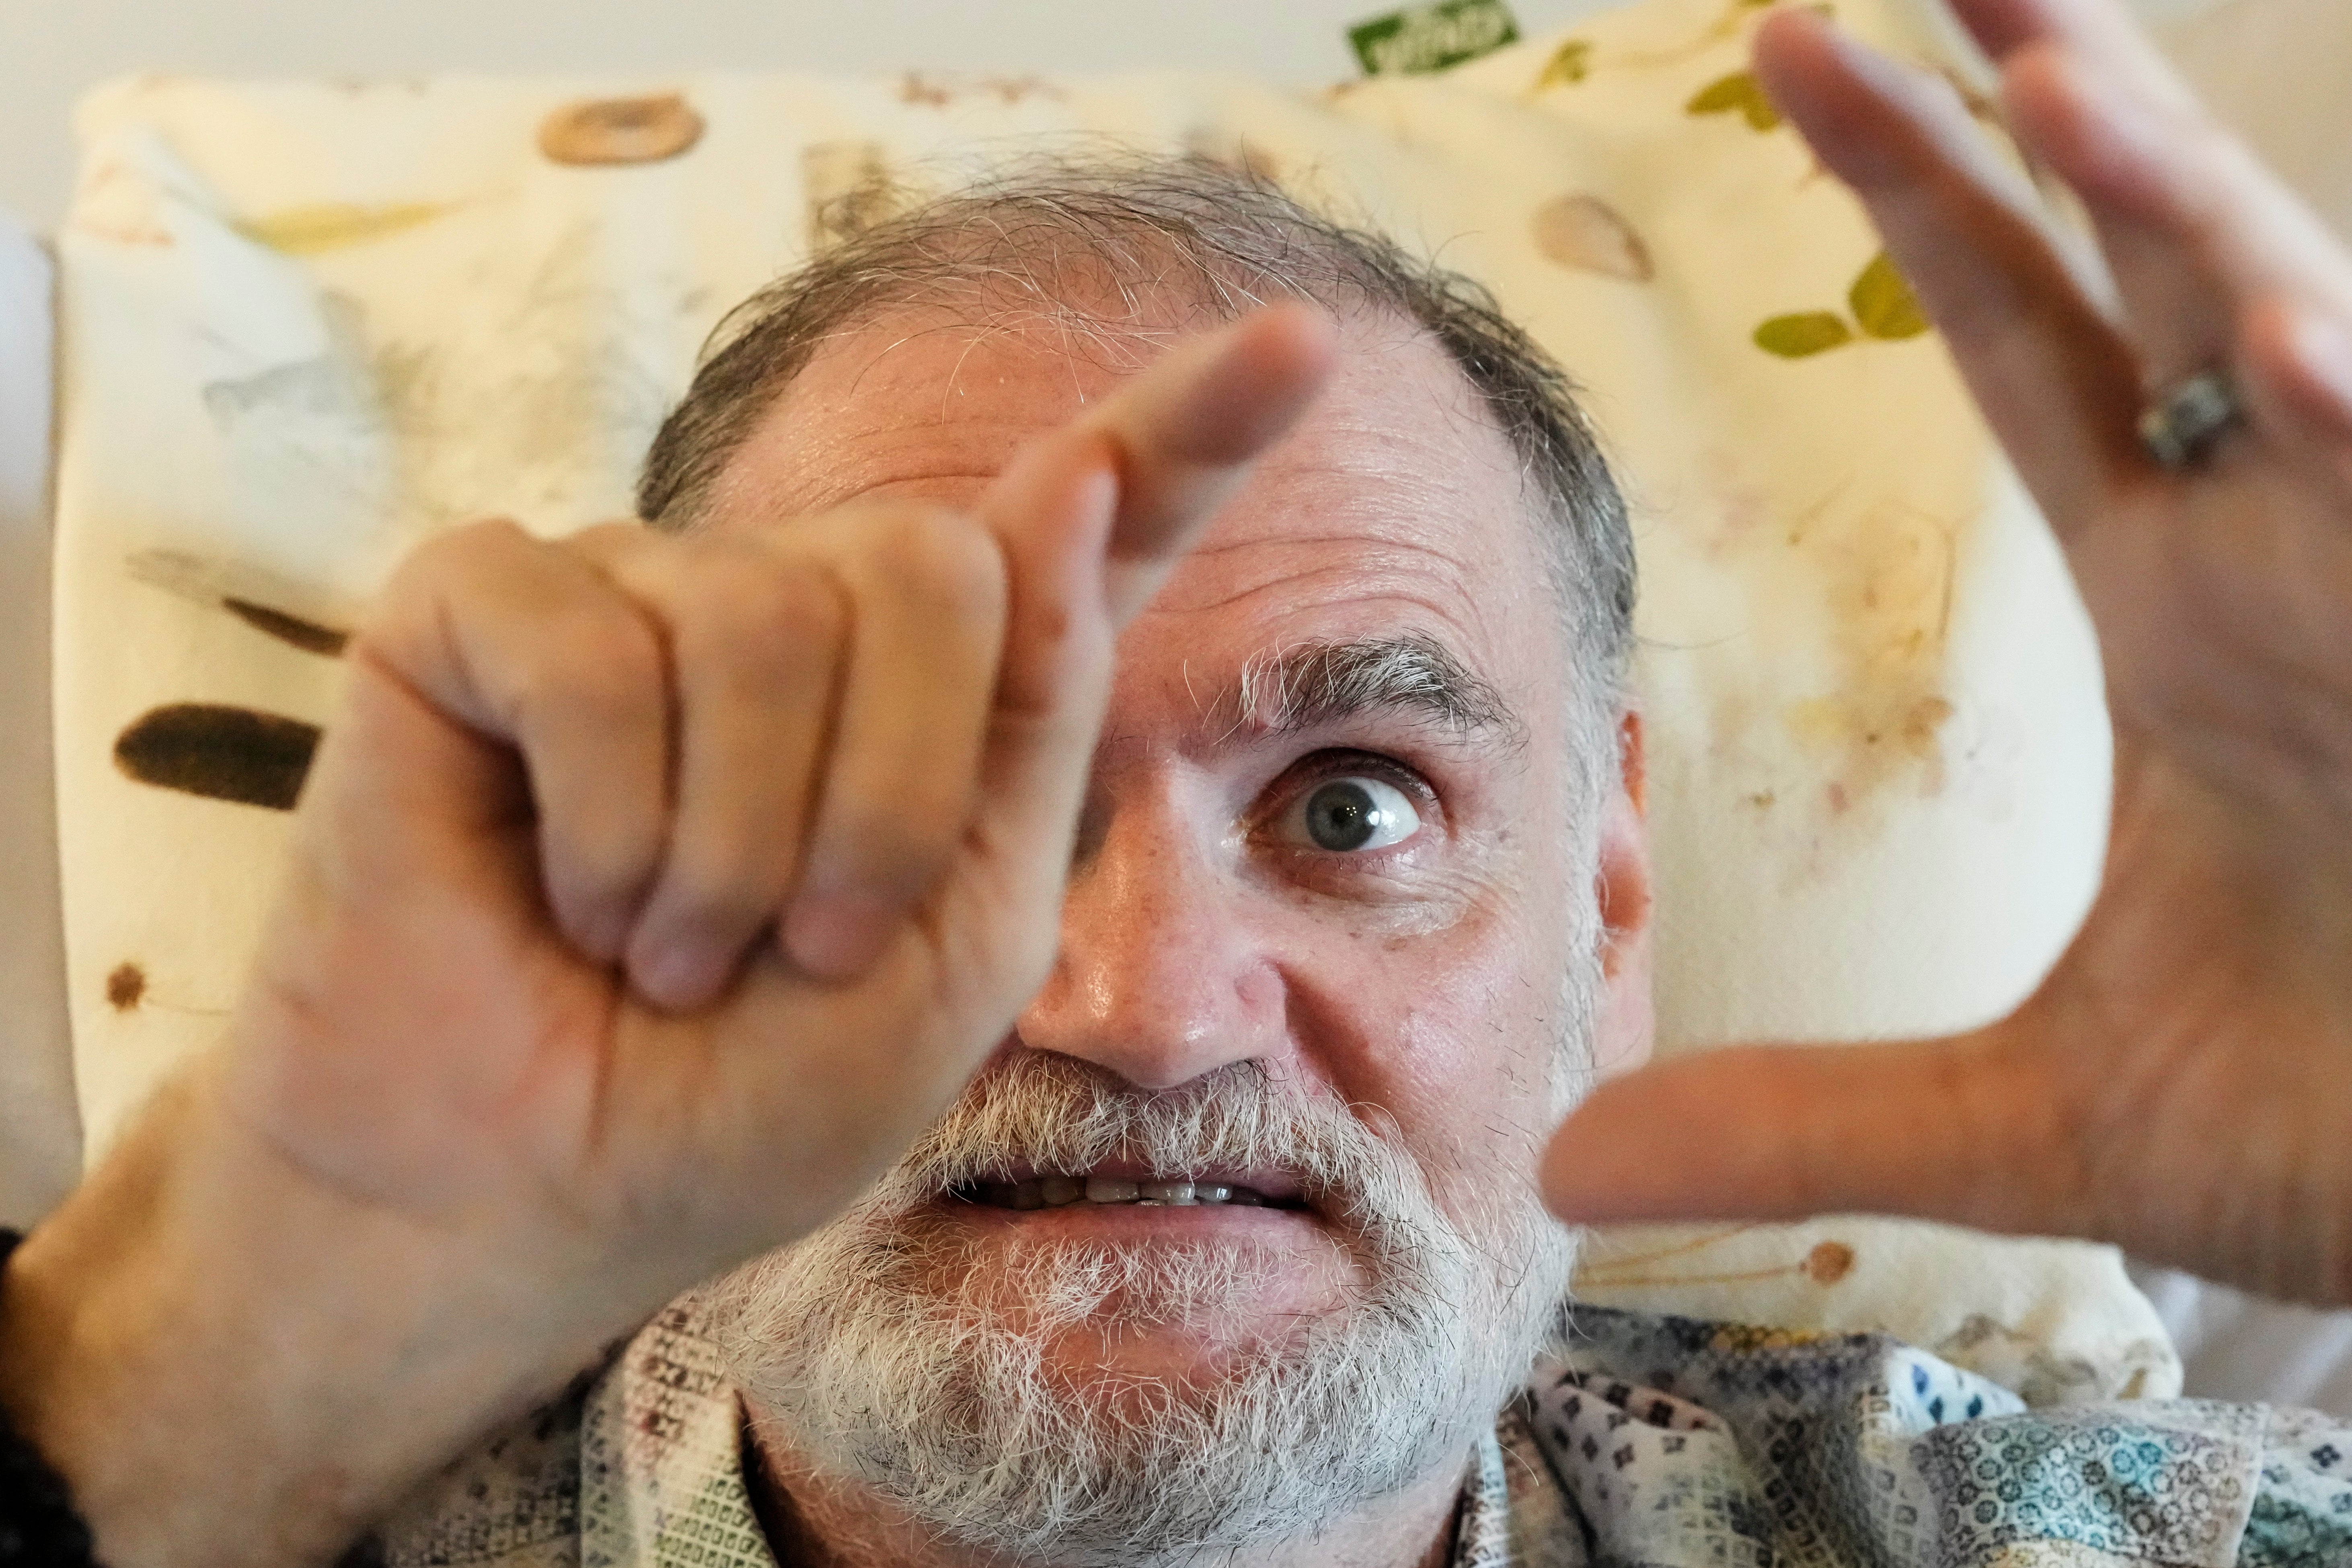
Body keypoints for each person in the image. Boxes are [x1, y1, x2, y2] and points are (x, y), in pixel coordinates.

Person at [4, 0, 2352, 1563]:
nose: (1148, 1007)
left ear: (1610, 913)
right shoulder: (198, 1488)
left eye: (1354, 803)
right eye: (932, 794)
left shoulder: (2008, 1526)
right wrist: (152, 1359)